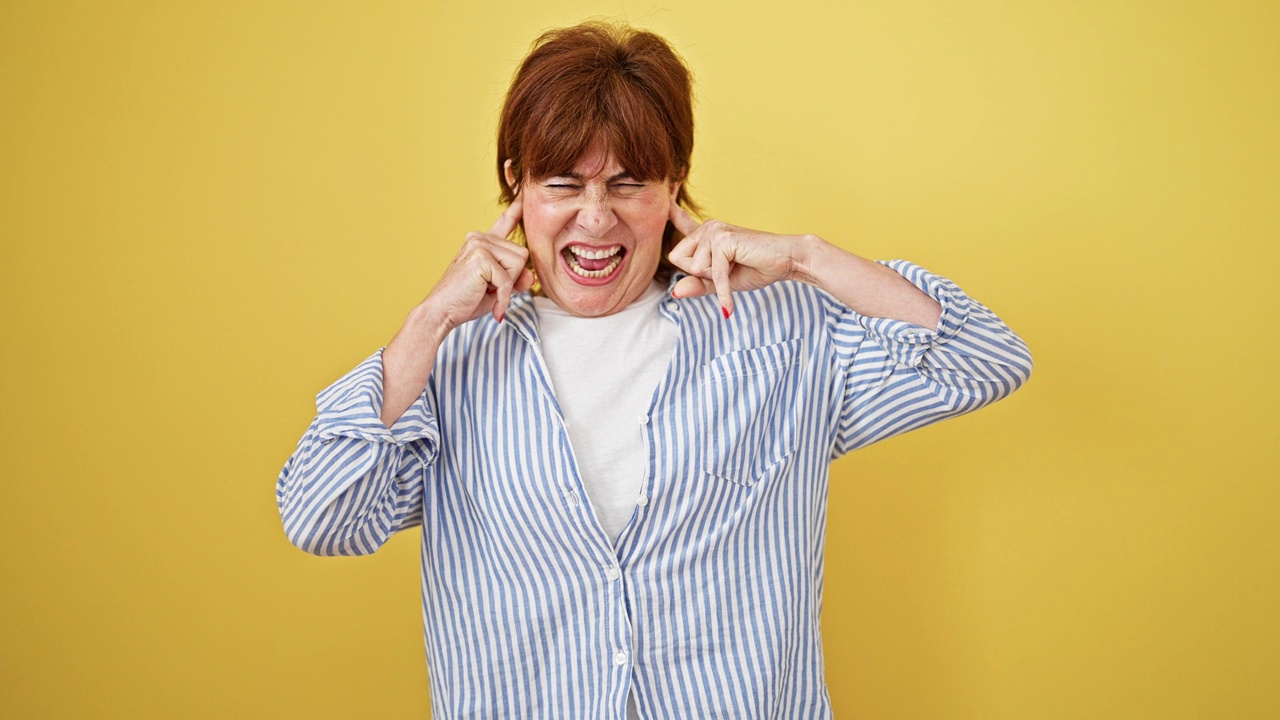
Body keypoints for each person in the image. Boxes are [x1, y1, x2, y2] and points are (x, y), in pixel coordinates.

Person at [277, 20, 1032, 719]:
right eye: (564, 185)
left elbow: (983, 358)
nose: (597, 218)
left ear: (675, 183)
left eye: (629, 182)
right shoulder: (448, 366)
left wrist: (808, 256)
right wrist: (427, 322)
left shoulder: (783, 334)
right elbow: (319, 517)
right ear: (517, 187)